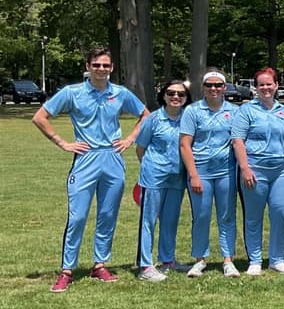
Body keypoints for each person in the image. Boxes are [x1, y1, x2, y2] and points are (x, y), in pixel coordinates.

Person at [33, 47, 149, 292]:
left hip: (113, 158)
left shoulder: (120, 93)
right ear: (88, 66)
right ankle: (67, 270)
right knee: (77, 217)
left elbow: (145, 115)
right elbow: (40, 117)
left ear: (112, 68)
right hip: (85, 159)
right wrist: (62, 142)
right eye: (96, 65)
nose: (101, 70)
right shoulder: (72, 93)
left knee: (107, 216)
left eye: (106, 65)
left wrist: (130, 139)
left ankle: (100, 264)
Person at [232, 67, 284, 275]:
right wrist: (245, 168)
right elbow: (238, 140)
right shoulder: (246, 110)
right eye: (261, 85)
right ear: (256, 88)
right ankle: (255, 261)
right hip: (255, 169)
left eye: (269, 84)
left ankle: (277, 259)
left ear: (276, 86)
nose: (266, 88)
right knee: (253, 216)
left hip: (281, 170)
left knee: (281, 213)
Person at [180, 68, 239, 277]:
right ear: (203, 88)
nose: (213, 89)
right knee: (201, 215)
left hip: (227, 172)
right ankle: (200, 259)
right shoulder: (193, 111)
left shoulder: (234, 111)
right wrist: (194, 175)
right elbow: (185, 145)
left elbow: (238, 142)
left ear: (224, 88)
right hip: (200, 172)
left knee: (227, 215)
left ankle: (228, 259)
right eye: (209, 85)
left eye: (218, 85)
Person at [134, 80, 191, 282]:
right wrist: (151, 167)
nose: (176, 97)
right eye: (171, 93)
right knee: (148, 221)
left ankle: (168, 260)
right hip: (154, 177)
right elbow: (140, 148)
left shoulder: (188, 118)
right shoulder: (154, 119)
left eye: (181, 94)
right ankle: (145, 265)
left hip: (177, 178)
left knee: (170, 220)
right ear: (164, 95)